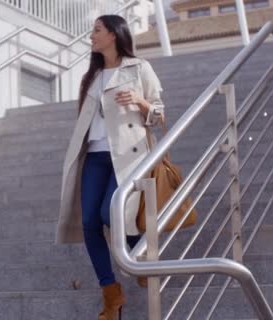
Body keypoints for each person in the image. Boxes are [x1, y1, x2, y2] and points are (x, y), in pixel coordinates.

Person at [55, 14, 165, 320]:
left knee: (109, 213)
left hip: (126, 156)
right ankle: (112, 294)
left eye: (97, 30)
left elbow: (160, 116)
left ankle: (141, 253)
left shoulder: (139, 68)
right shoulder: (91, 76)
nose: (92, 35)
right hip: (94, 156)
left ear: (114, 34)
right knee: (90, 222)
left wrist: (141, 102)